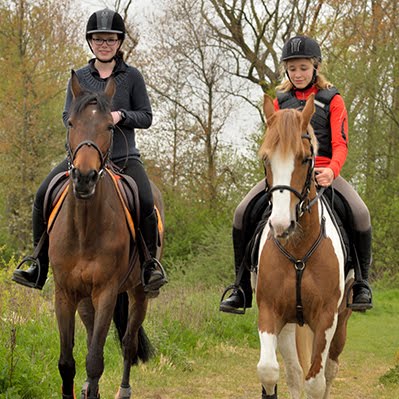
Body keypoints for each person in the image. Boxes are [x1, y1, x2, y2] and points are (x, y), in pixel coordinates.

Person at [12, 8, 167, 296]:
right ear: (90, 42)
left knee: (146, 200)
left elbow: (146, 116)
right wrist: (83, 128)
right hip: (83, 157)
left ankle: (149, 267)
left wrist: (121, 116)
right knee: (42, 193)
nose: (104, 44)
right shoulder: (79, 77)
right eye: (98, 39)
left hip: (123, 158)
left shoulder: (132, 77)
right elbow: (65, 116)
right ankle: (38, 263)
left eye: (110, 39)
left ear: (119, 42)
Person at [220, 35, 373, 314]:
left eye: (303, 67)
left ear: (315, 66)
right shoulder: (280, 101)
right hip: (285, 175)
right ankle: (241, 287)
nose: (298, 73)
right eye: (292, 68)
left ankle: (361, 283)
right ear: (285, 71)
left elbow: (341, 144)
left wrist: (331, 171)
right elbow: (273, 143)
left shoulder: (332, 100)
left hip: (323, 170)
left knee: (361, 214)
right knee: (242, 213)